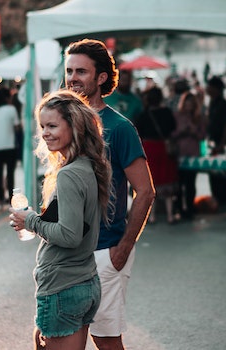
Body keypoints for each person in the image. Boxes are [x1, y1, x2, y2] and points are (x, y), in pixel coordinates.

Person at [65, 38, 155, 350]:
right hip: (66, 253)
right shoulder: (63, 124)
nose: (73, 78)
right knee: (56, 339)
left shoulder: (119, 128)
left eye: (81, 71)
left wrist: (123, 249)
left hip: (104, 251)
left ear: (101, 78)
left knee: (105, 341)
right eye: (69, 71)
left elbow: (145, 191)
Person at [9, 89, 111, 350]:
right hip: (85, 281)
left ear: (74, 126)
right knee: (40, 341)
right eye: (42, 126)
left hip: (63, 286)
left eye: (52, 125)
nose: (45, 133)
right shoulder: (89, 165)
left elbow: (70, 235)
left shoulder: (69, 174)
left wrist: (30, 220)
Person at [134, 87, 178, 224]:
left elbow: (138, 131)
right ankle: (170, 215)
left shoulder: (144, 114)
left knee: (152, 179)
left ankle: (152, 216)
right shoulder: (167, 112)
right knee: (166, 178)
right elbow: (173, 127)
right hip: (164, 147)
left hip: (149, 148)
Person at [173, 91, 206, 221]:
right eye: (187, 104)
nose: (189, 107)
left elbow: (202, 136)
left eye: (191, 105)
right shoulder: (177, 116)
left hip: (193, 154)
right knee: (179, 183)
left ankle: (190, 209)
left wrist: (193, 130)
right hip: (179, 153)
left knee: (191, 183)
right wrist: (181, 132)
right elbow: (172, 134)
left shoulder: (199, 118)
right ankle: (180, 208)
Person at [206, 77, 226, 209]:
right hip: (213, 143)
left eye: (210, 86)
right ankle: (217, 198)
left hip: (222, 143)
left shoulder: (224, 104)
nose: (207, 89)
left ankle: (224, 199)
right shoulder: (212, 103)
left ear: (216, 89)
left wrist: (222, 143)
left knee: (223, 171)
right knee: (214, 172)